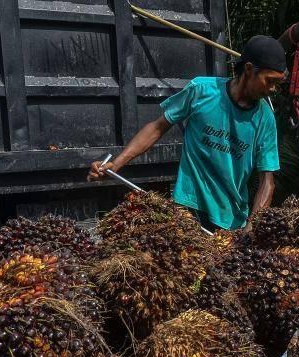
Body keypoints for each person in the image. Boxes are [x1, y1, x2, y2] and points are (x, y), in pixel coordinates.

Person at [87, 35, 287, 232]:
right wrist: (117, 164)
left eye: (277, 83)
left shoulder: (265, 119)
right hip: (187, 210)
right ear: (249, 69)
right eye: (269, 81)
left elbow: (267, 182)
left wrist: (250, 230)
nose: (273, 89)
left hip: (230, 221)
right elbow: (157, 127)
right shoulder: (202, 90)